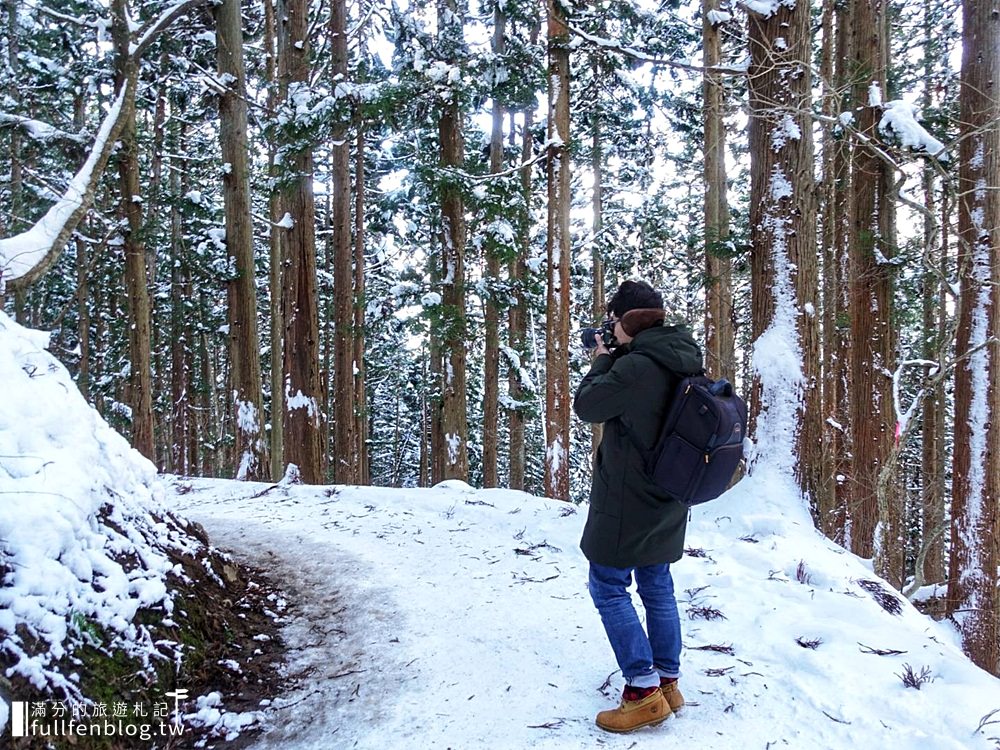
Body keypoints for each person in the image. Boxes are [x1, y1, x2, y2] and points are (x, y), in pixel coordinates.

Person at [573, 279, 703, 733]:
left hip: (628, 498)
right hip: (669, 492)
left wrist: (602, 360)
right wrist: (619, 354)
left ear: (627, 321)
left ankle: (643, 691)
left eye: (612, 321)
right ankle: (668, 682)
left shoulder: (635, 368)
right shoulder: (680, 357)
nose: (608, 328)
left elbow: (588, 405)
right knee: (656, 582)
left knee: (607, 584)